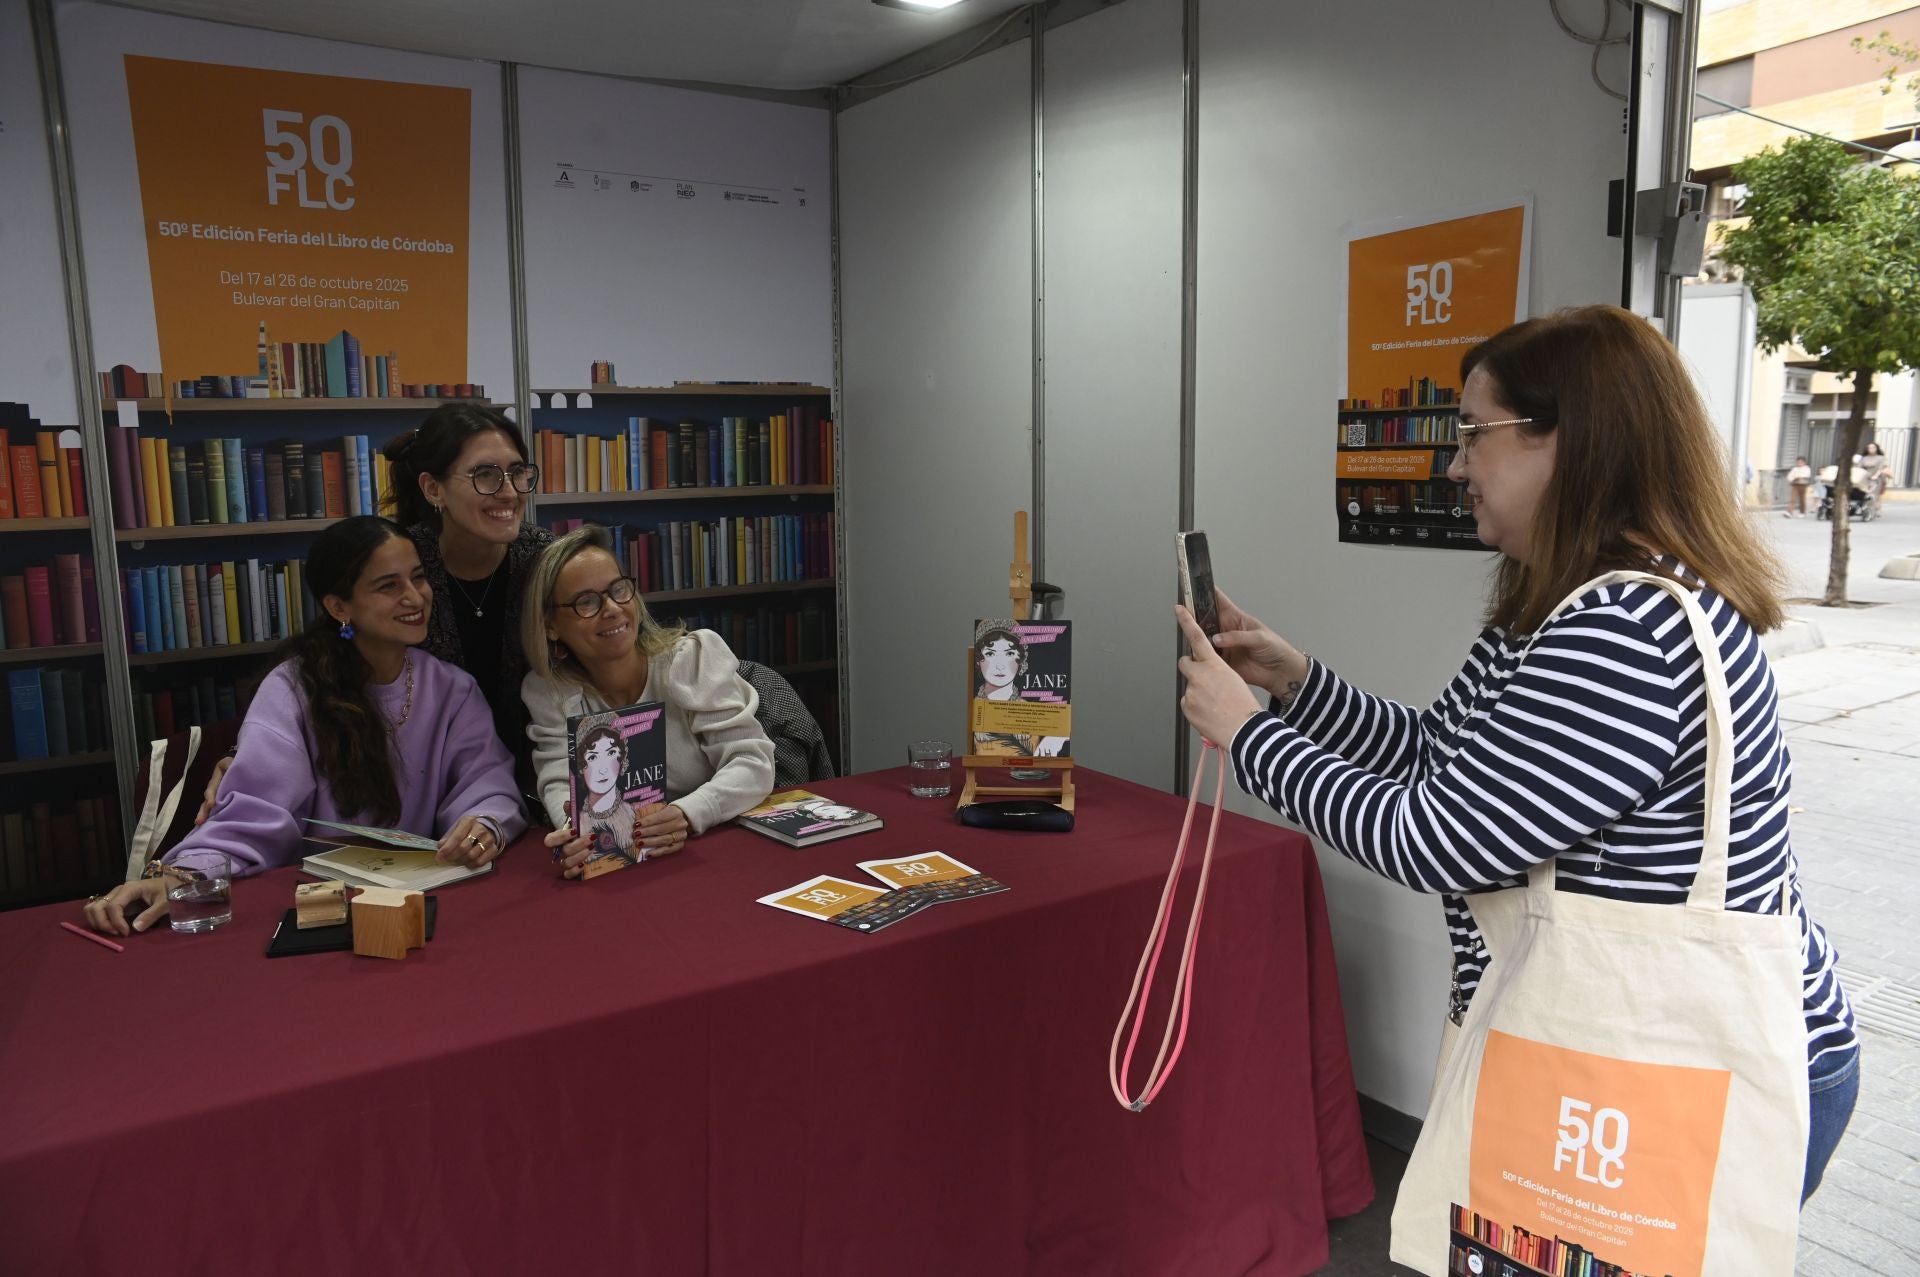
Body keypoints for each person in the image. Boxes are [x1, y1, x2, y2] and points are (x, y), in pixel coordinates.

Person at [1173, 305, 1857, 1203]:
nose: (1455, 464)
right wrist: (1292, 679)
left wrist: (1250, 737)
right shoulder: (1559, 606)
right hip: (1613, 1060)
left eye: (1473, 435)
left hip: (1676, 1069)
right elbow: (1437, 754)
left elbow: (1442, 838)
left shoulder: (1622, 630)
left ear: (1565, 442)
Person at [84, 517, 525, 935]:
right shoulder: (293, 688)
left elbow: (486, 780)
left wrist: (484, 822)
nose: (414, 597)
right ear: (339, 606)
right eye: (388, 586)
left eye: (419, 577)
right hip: (315, 906)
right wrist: (186, 875)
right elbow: (255, 810)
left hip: (424, 902)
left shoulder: (452, 688)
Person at [195, 403, 553, 822]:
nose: (509, 491)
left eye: (517, 472)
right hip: (428, 799)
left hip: (537, 783)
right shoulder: (403, 559)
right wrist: (249, 753)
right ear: (433, 489)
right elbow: (332, 651)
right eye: (486, 475)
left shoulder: (547, 563)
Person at [520, 525, 775, 878]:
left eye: (618, 590)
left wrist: (687, 814)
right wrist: (576, 831)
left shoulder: (691, 660)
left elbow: (753, 762)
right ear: (550, 626)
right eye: (586, 602)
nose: (611, 609)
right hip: (625, 867)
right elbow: (559, 780)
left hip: (719, 852)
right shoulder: (550, 691)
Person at [970, 620, 1068, 758]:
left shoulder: (1031, 710)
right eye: (990, 654)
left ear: (1021, 659)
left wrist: (1058, 736)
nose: (1000, 665)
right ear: (979, 660)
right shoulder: (973, 708)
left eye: (1009, 654)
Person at [572, 716, 638, 865]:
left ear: (622, 759)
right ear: (582, 766)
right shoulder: (579, 823)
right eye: (593, 757)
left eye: (610, 753)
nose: (603, 769)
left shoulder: (633, 813)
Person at [1859, 442, 1890, 515]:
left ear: (1876, 449)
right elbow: (1859, 467)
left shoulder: (1881, 458)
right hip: (1865, 476)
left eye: (1873, 447)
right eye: (1869, 448)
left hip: (1876, 476)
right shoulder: (1864, 458)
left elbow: (1882, 468)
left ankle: (1874, 508)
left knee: (1873, 491)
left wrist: (1876, 475)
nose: (1871, 449)